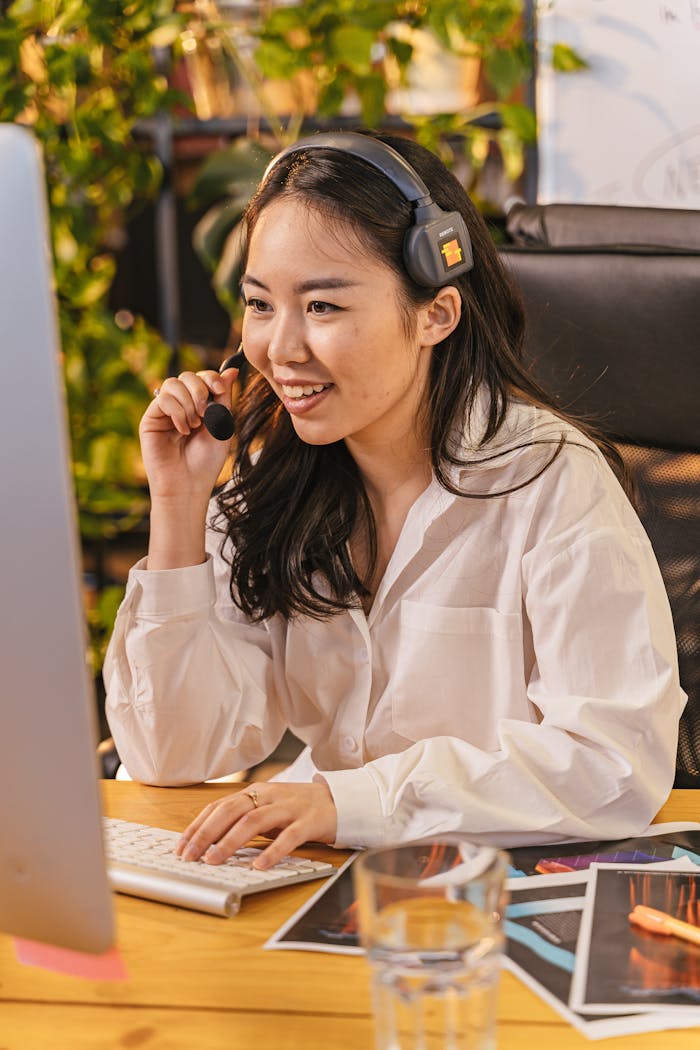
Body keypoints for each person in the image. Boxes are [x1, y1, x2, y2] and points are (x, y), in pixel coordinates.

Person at [104, 130, 685, 872]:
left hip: (496, 894)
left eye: (321, 306)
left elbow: (614, 761)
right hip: (323, 873)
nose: (279, 348)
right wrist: (180, 507)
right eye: (259, 304)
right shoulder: (273, 480)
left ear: (436, 314)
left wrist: (347, 804)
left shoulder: (550, 482)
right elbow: (173, 752)